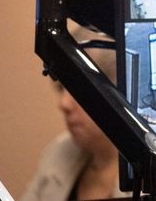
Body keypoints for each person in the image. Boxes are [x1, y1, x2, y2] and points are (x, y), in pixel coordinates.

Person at [20, 42, 125, 201]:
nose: (64, 104)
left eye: (78, 88)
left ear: (118, 92)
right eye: (62, 87)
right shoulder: (59, 150)